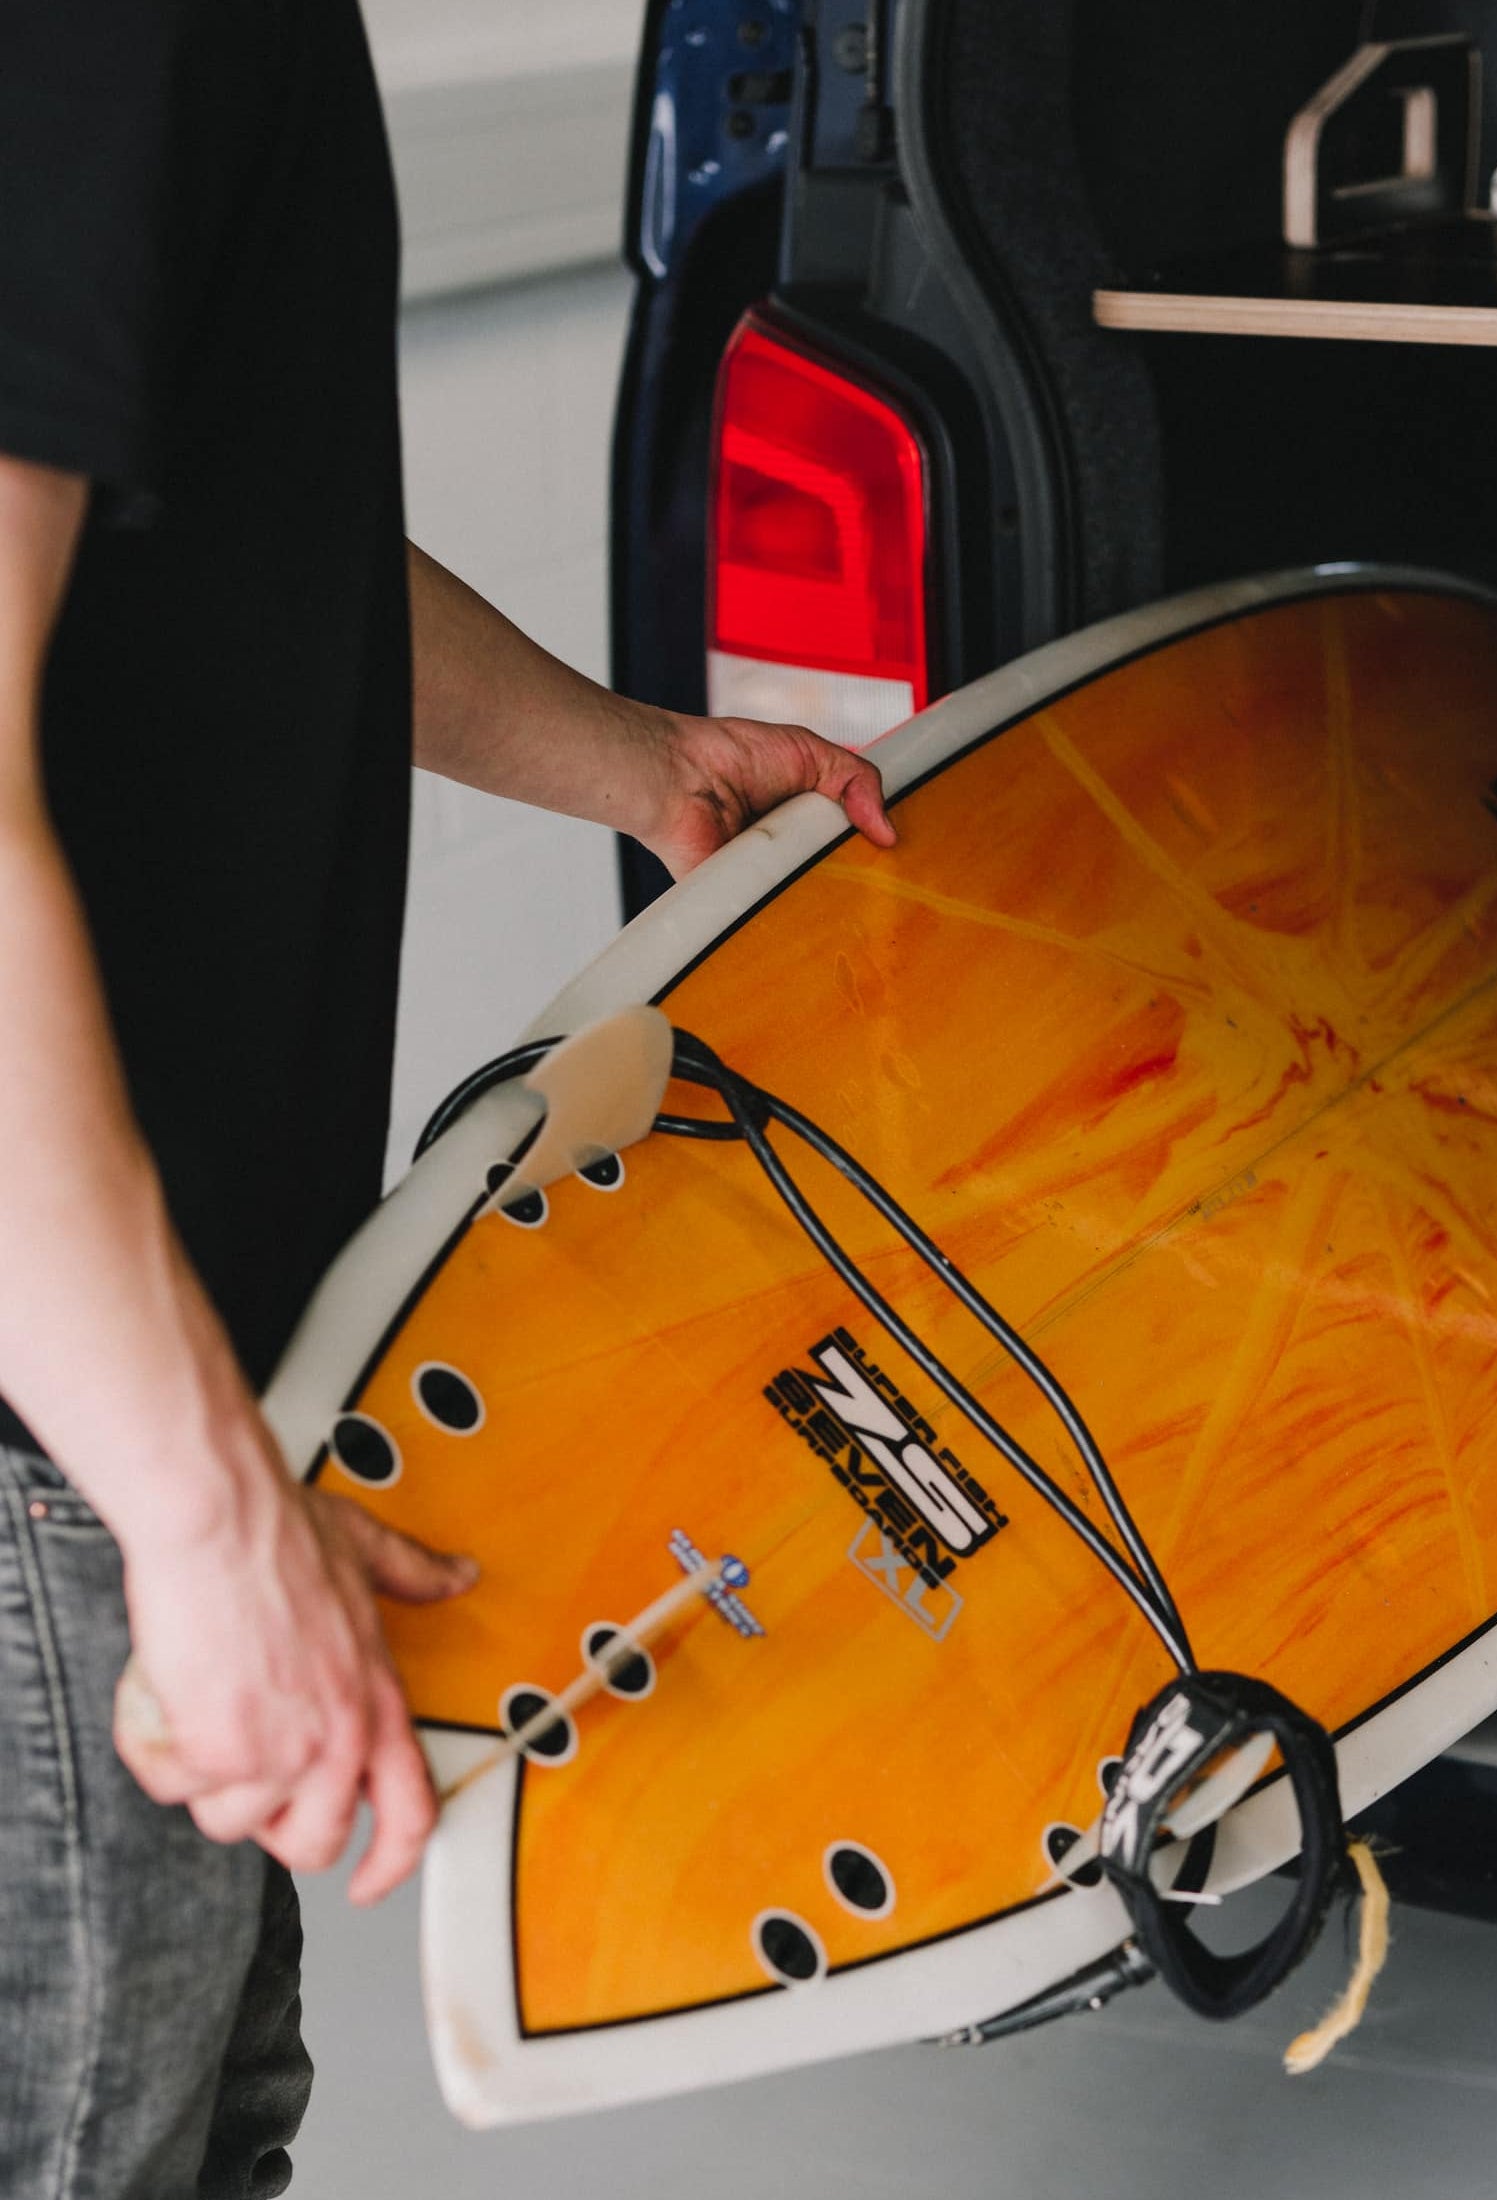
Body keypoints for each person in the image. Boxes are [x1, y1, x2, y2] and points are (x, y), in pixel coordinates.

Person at [0, 5, 894, 2192]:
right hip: (54, 1441)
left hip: (119, 1401)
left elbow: (206, 533)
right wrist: (199, 1519)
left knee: (202, 2126)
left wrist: (618, 754)